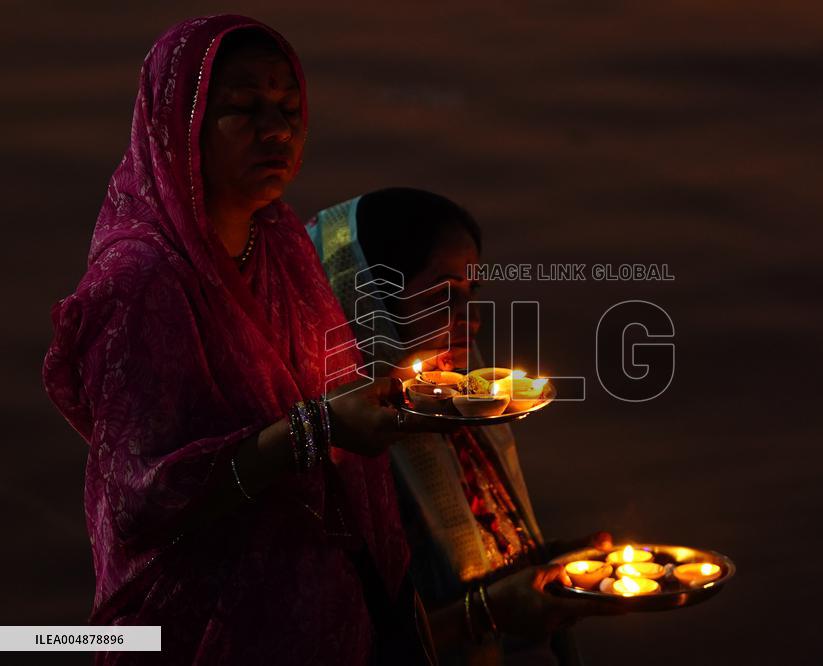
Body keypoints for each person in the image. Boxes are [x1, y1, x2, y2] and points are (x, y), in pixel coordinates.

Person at [42, 17, 434, 665]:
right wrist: (320, 429)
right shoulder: (139, 282)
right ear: (179, 124)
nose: (276, 130)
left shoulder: (277, 239)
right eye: (244, 108)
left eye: (289, 109)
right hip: (199, 628)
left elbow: (325, 390)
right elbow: (142, 496)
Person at [308, 188, 619, 665]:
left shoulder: (461, 422)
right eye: (444, 294)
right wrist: (486, 615)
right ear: (369, 298)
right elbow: (330, 650)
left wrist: (550, 565)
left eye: (471, 293)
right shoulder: (334, 450)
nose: (469, 320)